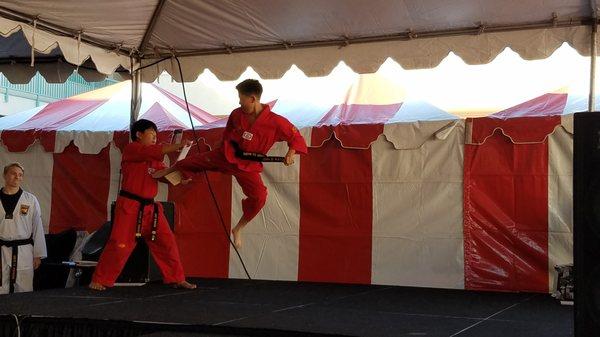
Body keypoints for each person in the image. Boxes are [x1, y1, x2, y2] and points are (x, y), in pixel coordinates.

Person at [153, 79, 308, 248]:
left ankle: (239, 228)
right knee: (192, 162)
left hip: (248, 165)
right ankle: (173, 172)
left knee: (259, 197)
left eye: (242, 98)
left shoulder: (276, 122)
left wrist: (291, 152)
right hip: (226, 155)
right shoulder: (237, 114)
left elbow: (296, 138)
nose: (239, 101)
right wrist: (221, 145)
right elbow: (228, 133)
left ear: (253, 99)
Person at [89, 119, 196, 291]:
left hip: (151, 209)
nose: (155, 137)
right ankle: (100, 280)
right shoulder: (133, 149)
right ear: (139, 135)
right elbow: (157, 150)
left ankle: (177, 278)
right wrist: (177, 146)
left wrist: (181, 178)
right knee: (119, 244)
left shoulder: (153, 159)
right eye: (151, 134)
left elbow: (162, 174)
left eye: (156, 134)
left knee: (166, 242)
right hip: (130, 207)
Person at [0, 162, 47, 294]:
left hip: (23, 250)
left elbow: (37, 227)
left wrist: (38, 255)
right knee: (0, 285)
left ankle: (23, 314)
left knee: (24, 287)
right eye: (13, 174)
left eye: (20, 175)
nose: (17, 177)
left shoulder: (30, 200)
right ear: (5, 175)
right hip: (1, 248)